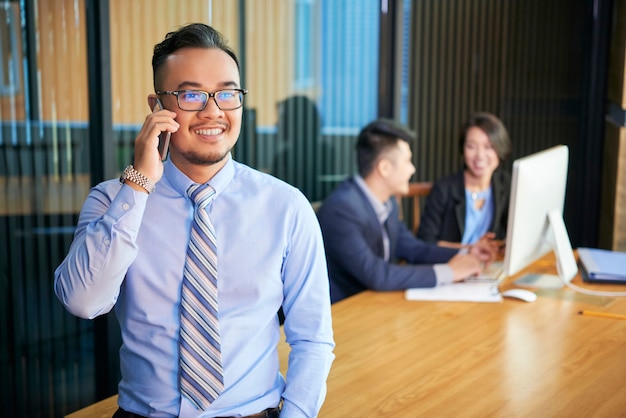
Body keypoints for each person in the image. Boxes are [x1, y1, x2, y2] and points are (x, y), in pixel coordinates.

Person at [54, 23, 334, 418]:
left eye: (226, 93)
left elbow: (313, 338)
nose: (213, 111)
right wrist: (138, 186)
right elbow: (83, 301)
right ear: (158, 107)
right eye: (191, 95)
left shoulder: (286, 207)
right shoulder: (114, 201)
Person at [316, 118, 496, 303]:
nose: (412, 169)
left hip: (375, 302)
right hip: (343, 312)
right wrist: (449, 272)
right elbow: (377, 274)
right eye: (408, 161)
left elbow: (413, 248)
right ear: (384, 168)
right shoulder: (342, 210)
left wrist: (466, 253)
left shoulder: (388, 201)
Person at [417, 112, 512, 249]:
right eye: (471, 146)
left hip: (489, 264)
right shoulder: (444, 189)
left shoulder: (504, 183)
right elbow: (426, 241)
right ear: (463, 149)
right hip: (452, 263)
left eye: (488, 147)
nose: (480, 155)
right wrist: (470, 249)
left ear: (500, 148)